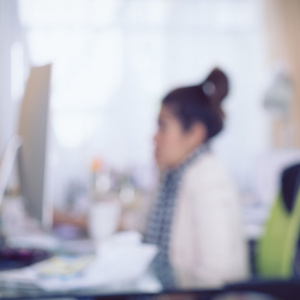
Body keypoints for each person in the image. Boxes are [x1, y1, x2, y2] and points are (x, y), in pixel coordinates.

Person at [143, 68, 249, 289]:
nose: (154, 137)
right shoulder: (174, 173)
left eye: (162, 126)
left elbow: (216, 277)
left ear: (195, 134)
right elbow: (141, 224)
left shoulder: (209, 179)